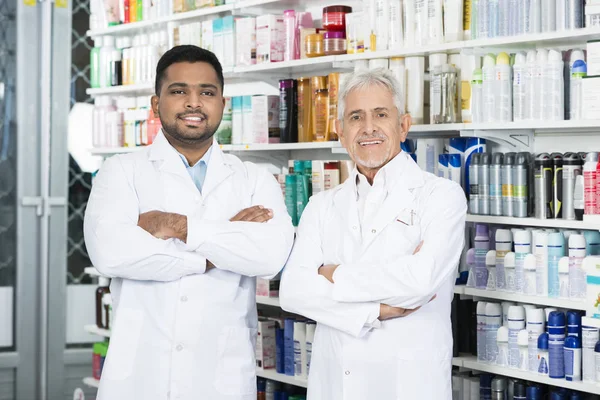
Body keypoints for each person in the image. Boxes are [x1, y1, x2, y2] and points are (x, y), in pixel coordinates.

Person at [84, 45, 294, 400]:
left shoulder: (254, 178)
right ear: (156, 104)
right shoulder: (121, 171)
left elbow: (270, 257)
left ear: (222, 105)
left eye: (207, 92)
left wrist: (177, 227)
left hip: (221, 376)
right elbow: (110, 253)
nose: (194, 103)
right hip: (139, 376)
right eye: (179, 91)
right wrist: (219, 248)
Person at [279, 68, 467, 400]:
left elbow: (420, 281)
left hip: (408, 385)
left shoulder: (441, 196)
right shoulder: (321, 205)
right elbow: (293, 292)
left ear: (403, 126)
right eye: (356, 117)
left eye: (381, 114)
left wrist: (332, 275)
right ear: (340, 130)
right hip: (335, 384)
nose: (369, 128)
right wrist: (375, 310)